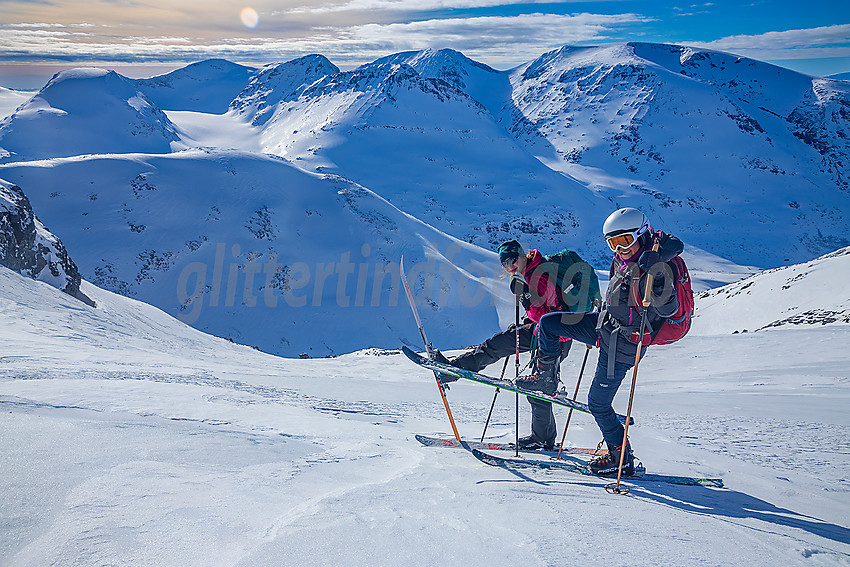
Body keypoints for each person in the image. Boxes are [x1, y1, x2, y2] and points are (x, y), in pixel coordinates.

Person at [526, 208, 683, 475]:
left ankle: (620, 457)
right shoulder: (627, 260)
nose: (619, 249)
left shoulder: (658, 266)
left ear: (641, 234)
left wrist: (658, 285)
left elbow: (671, 310)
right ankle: (546, 376)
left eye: (624, 241)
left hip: (623, 345)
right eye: (613, 243)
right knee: (549, 323)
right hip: (604, 326)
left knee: (598, 403)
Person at [435, 239, 600, 451]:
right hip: (550, 335)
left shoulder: (537, 275)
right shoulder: (536, 270)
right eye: (505, 264)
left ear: (523, 255)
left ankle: (452, 370)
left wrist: (526, 300)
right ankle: (542, 437)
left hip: (551, 338)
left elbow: (549, 315)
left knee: (498, 349)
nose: (510, 266)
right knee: (535, 384)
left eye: (513, 260)